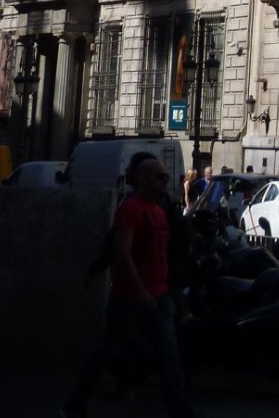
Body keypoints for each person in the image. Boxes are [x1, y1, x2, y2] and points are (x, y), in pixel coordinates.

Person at [64, 155, 197, 418]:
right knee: (107, 351)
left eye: (166, 176)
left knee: (168, 355)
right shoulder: (131, 209)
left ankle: (180, 410)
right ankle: (74, 405)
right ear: (144, 179)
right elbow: (121, 252)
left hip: (159, 295)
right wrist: (139, 289)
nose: (166, 180)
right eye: (160, 176)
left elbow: (163, 252)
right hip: (129, 297)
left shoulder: (160, 211)